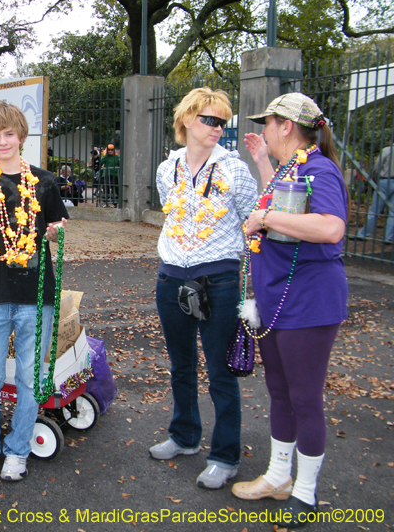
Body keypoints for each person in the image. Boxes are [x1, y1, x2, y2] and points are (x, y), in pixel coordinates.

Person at [233, 93, 348, 528]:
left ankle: (305, 493)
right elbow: (280, 202)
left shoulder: (320, 168)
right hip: (277, 298)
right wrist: (263, 162)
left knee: (304, 399)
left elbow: (330, 226)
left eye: (267, 124)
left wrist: (264, 220)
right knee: (280, 393)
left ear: (286, 126)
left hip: (309, 302)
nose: (262, 130)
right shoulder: (288, 167)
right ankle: (278, 477)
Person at [150, 87, 257, 490]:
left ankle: (225, 455)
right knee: (180, 364)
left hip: (220, 278)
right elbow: (170, 212)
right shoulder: (167, 168)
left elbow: (253, 219)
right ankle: (184, 435)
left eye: (222, 122)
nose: (217, 128)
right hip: (172, 274)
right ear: (187, 122)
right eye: (209, 120)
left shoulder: (234, 169)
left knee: (220, 371)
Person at [0, 100, 68, 482]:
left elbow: (57, 227)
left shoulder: (45, 182)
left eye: (9, 134)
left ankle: (18, 449)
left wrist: (56, 232)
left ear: (21, 136)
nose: (3, 141)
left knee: (29, 378)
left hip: (37, 298)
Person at [357, 143, 394, 243]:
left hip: (385, 180)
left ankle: (364, 234)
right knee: (392, 212)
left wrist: (376, 177)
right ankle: (388, 237)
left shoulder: (387, 150)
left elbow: (377, 165)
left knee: (374, 210)